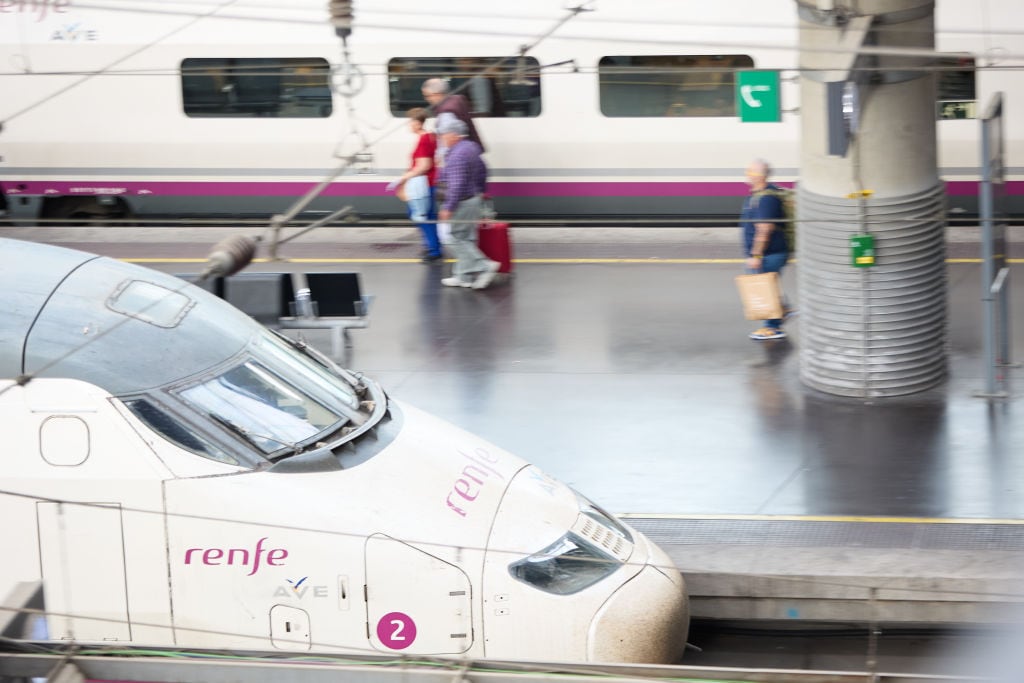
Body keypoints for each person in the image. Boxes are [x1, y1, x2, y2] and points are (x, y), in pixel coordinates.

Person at [436, 116, 499, 290]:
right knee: (467, 238)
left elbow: (456, 185)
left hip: (462, 203)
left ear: (454, 135)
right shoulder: (471, 148)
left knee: (456, 238)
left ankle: (485, 266)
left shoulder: (457, 154)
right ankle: (463, 276)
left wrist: (448, 207)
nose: (441, 138)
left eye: (443, 135)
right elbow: (484, 171)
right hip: (473, 199)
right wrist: (479, 192)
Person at [741, 159, 793, 340]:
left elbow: (765, 228)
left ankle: (773, 327)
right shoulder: (758, 195)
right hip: (769, 253)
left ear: (758, 176)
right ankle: (784, 309)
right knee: (768, 284)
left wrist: (756, 254)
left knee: (765, 289)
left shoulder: (766, 199)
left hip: (769, 253)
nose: (746, 174)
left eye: (749, 171)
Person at [386, 108, 442, 262]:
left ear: (417, 123)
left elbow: (424, 165)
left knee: (419, 216)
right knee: (427, 216)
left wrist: (403, 178)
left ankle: (433, 250)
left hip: (421, 185)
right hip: (428, 183)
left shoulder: (423, 140)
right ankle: (433, 247)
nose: (408, 125)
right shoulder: (430, 136)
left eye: (410, 122)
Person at [422, 78, 485, 152]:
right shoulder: (457, 100)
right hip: (471, 150)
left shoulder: (446, 112)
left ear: (437, 94)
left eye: (428, 96)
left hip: (458, 155)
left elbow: (447, 143)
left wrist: (441, 155)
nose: (427, 99)